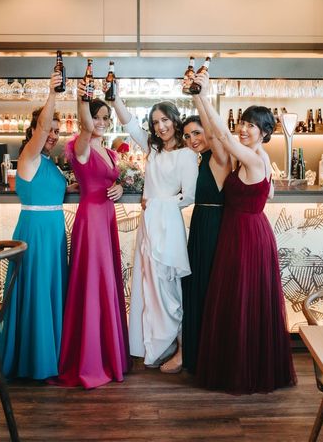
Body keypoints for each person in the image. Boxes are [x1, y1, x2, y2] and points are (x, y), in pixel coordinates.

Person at [193, 71, 296, 394]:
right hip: (251, 230)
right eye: (244, 123)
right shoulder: (262, 158)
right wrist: (199, 98)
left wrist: (205, 96)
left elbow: (221, 136)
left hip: (244, 235)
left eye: (252, 126)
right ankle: (249, 363)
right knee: (247, 300)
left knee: (241, 299)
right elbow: (268, 194)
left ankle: (240, 369)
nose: (244, 129)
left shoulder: (252, 158)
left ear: (265, 133)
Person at [111, 90, 198, 373]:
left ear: (174, 120)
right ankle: (154, 344)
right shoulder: (154, 151)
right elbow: (130, 124)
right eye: (156, 121)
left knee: (168, 288)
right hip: (148, 226)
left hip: (169, 226)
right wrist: (115, 98)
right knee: (147, 285)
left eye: (165, 120)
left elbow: (189, 195)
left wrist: (158, 203)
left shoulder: (186, 155)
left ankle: (173, 343)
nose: (161, 126)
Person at [0, 72, 69, 382]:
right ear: (36, 130)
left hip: (53, 232)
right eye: (48, 130)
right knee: (36, 291)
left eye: (57, 131)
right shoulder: (30, 154)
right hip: (35, 231)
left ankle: (51, 354)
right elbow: (40, 129)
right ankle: (36, 361)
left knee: (50, 290)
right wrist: (53, 94)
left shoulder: (48, 161)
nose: (53, 135)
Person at [57, 81, 131, 389]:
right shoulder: (80, 145)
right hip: (90, 220)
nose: (100, 123)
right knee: (92, 283)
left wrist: (122, 187)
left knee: (106, 280)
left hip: (107, 217)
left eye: (105, 118)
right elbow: (85, 127)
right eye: (96, 117)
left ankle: (109, 353)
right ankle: (90, 358)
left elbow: (113, 181)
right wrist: (81, 97)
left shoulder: (111, 152)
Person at [180, 95, 231, 374]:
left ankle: (211, 355)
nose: (192, 139)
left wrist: (199, 96)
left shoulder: (219, 157)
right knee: (196, 288)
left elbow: (213, 131)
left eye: (197, 133)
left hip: (215, 226)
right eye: (187, 136)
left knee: (209, 288)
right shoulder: (200, 161)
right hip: (201, 224)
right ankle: (197, 353)